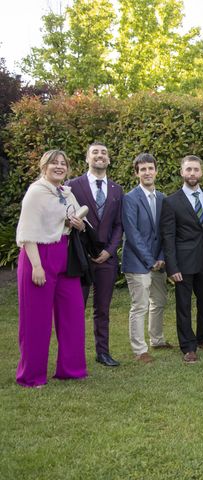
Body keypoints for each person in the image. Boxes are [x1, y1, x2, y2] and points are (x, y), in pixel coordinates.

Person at [15, 149, 88, 387]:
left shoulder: (66, 192)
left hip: (65, 255)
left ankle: (71, 369)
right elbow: (26, 231)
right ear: (43, 167)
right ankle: (32, 376)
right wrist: (36, 266)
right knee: (36, 319)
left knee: (73, 313)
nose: (59, 166)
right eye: (54, 163)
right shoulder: (36, 192)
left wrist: (78, 223)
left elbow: (79, 222)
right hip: (39, 255)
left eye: (63, 163)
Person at [67, 142, 123, 367]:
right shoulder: (72, 186)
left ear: (108, 160)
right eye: (95, 153)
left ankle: (103, 353)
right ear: (87, 159)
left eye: (104, 153)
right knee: (75, 309)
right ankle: (73, 355)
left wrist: (109, 251)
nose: (100, 156)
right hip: (80, 257)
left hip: (106, 260)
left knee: (103, 309)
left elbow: (119, 225)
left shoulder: (117, 190)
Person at [160, 155, 203, 364]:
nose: (192, 173)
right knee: (183, 305)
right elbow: (168, 236)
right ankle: (188, 346)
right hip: (182, 263)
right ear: (182, 172)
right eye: (188, 170)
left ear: (201, 173)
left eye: (196, 170)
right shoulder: (171, 201)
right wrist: (172, 267)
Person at [122, 153, 172, 364]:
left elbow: (164, 231)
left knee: (159, 301)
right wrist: (149, 260)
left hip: (158, 261)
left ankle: (157, 339)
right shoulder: (130, 198)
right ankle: (140, 349)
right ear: (137, 173)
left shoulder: (162, 198)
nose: (147, 172)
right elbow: (132, 234)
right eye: (142, 169)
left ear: (156, 171)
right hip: (137, 261)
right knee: (140, 305)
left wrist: (160, 257)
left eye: (150, 168)